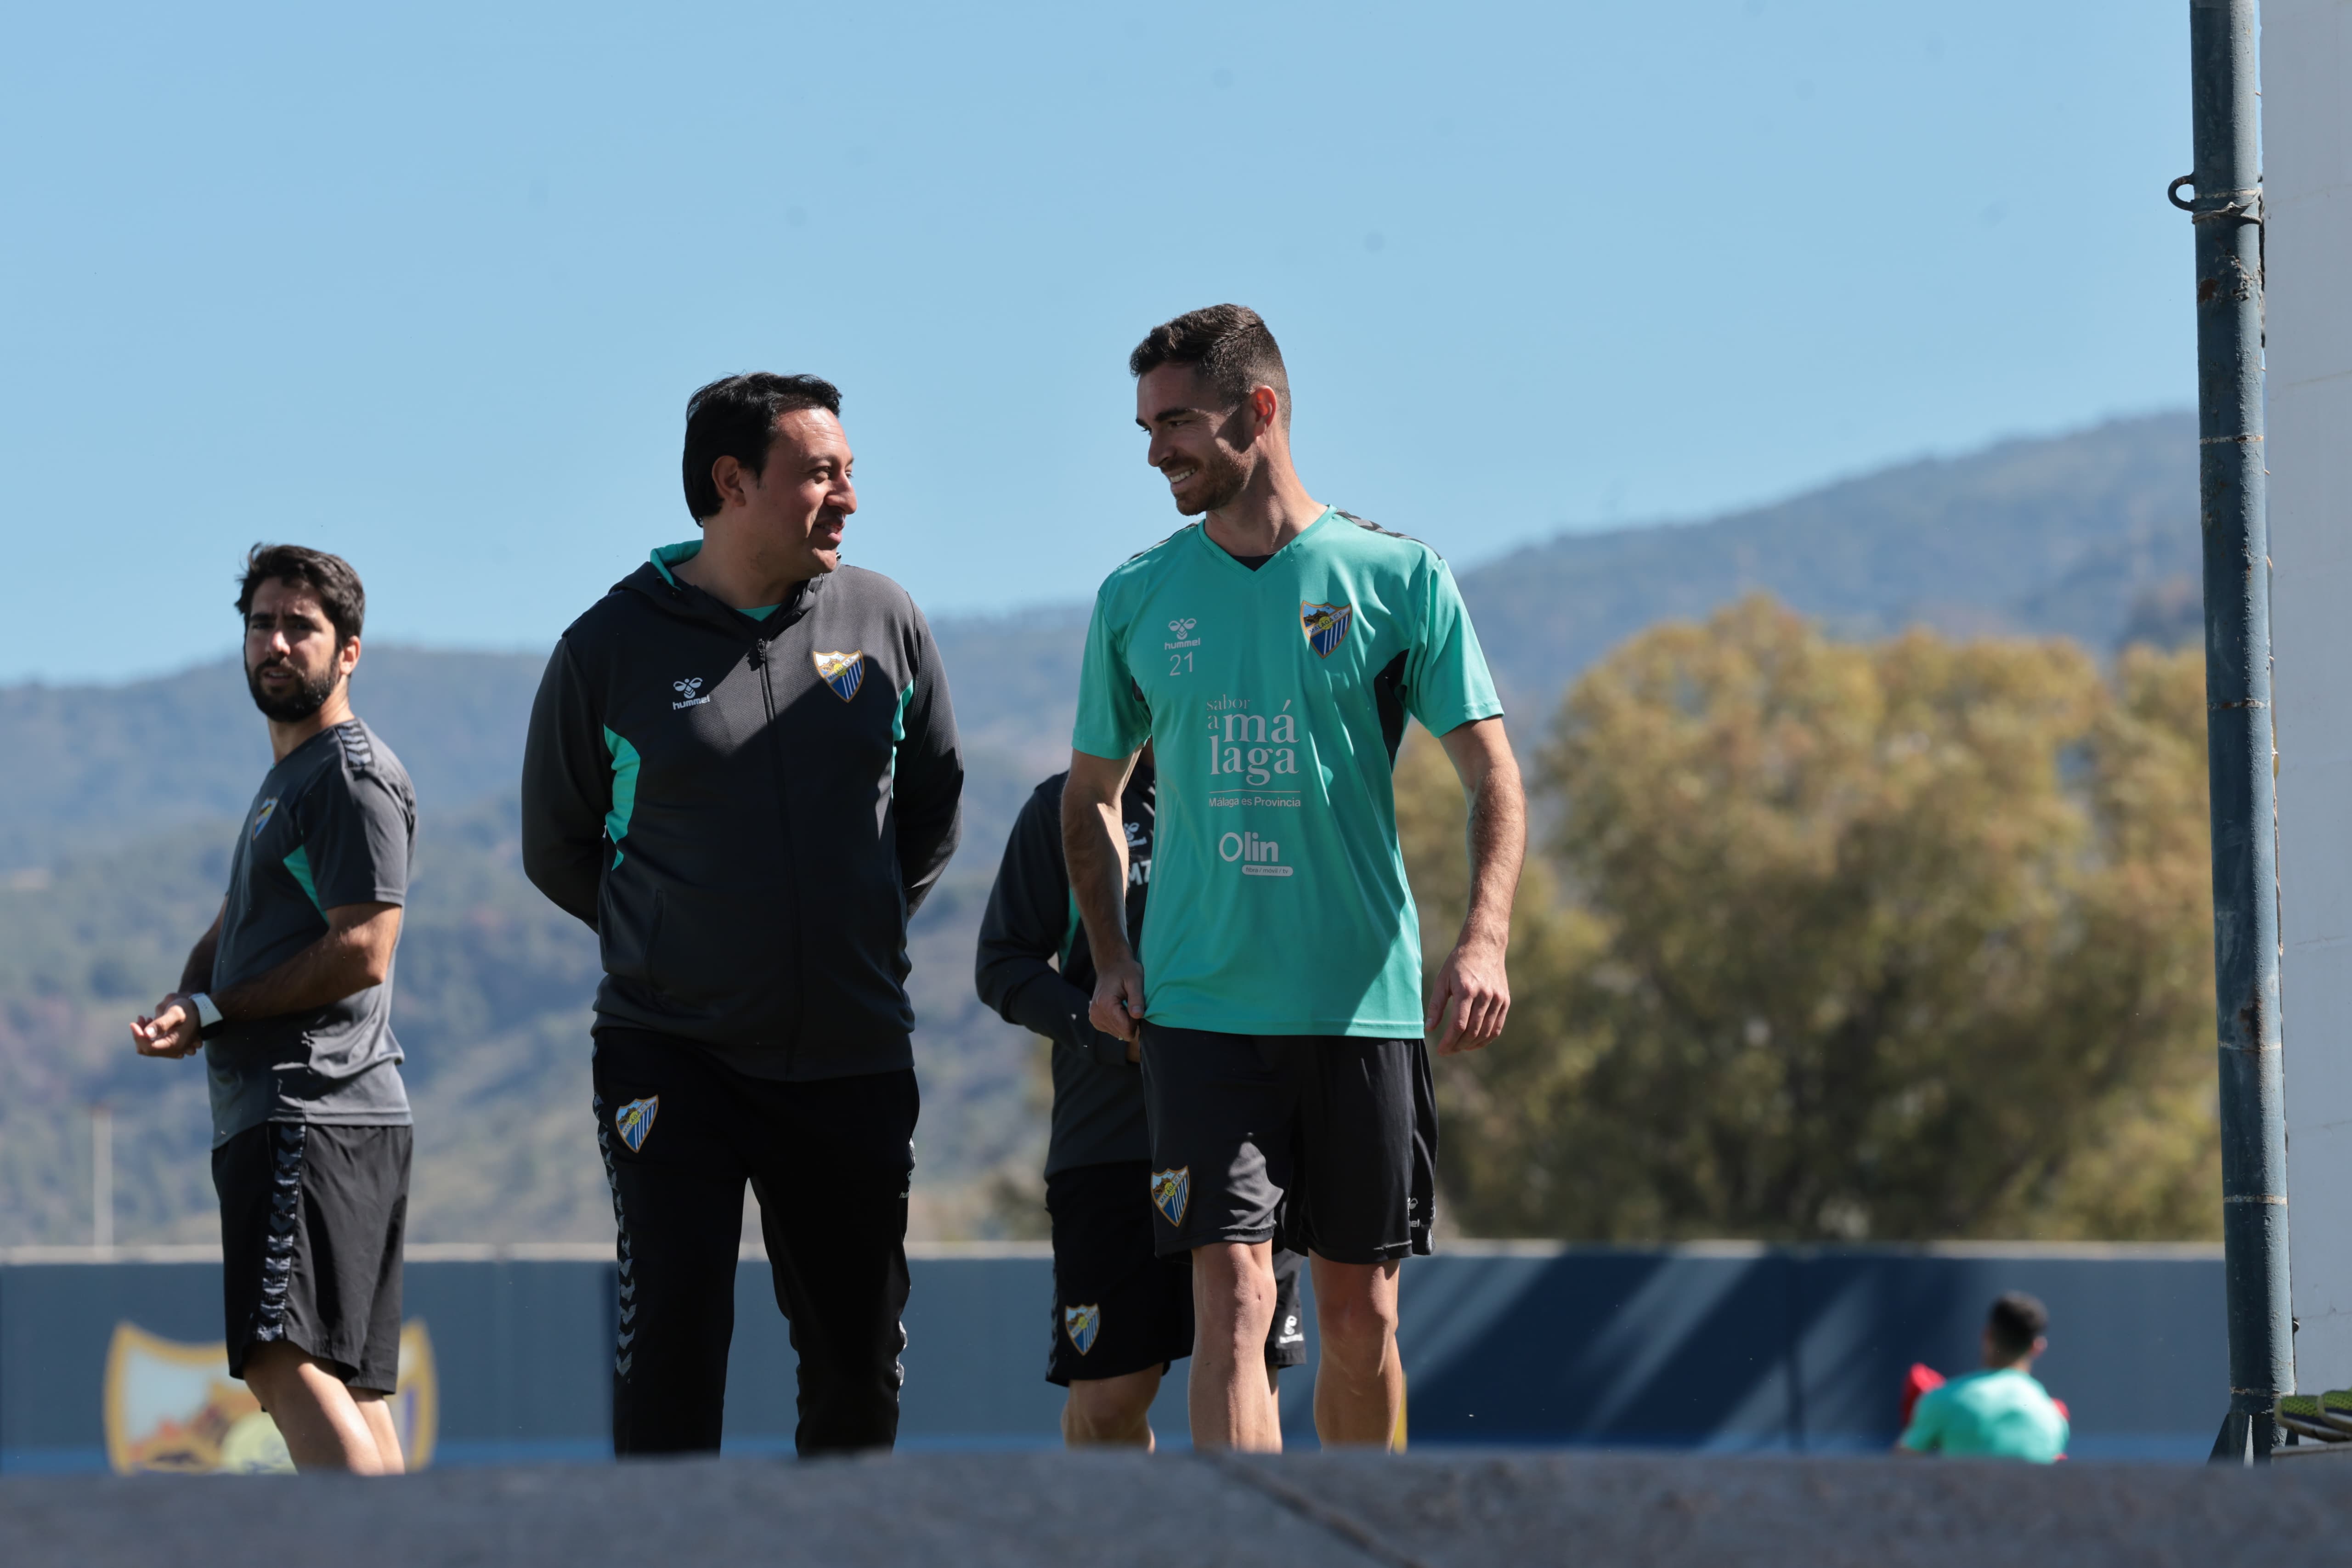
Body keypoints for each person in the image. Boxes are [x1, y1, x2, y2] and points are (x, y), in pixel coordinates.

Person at [1062, 305, 1525, 1452]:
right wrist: (1114, 954)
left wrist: (1482, 941)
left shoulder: (1396, 577)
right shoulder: (1136, 595)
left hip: (1359, 1004)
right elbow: (1090, 798)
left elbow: (1495, 778)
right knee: (1233, 1293)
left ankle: (1361, 1527)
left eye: (1174, 422)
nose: (1155, 449)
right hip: (1201, 1007)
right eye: (1145, 426)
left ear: (1258, 409)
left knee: (1359, 1317)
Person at [521, 373, 962, 1458]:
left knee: (857, 1373)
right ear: (731, 483)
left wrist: (848, 927)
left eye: (849, 473)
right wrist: (678, 940)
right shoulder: (607, 648)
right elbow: (557, 848)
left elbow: (932, 811)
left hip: (852, 1050)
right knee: (673, 1352)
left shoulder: (886, 619)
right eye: (821, 473)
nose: (848, 497)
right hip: (672, 1054)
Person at [130, 545, 416, 1475]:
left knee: (281, 1354)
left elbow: (365, 947)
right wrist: (192, 994)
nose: (277, 642)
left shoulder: (347, 771)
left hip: (313, 1108)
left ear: (350, 652)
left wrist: (215, 1008)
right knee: (347, 1379)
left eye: (302, 625)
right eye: (262, 623)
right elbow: (242, 920)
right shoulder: (289, 779)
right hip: (319, 1114)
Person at [976, 748, 1307, 1448]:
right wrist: (1106, 1035)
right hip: (1108, 1142)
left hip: (1243, 1135)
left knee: (1249, 1372)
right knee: (1106, 1408)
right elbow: (1002, 962)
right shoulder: (1062, 808)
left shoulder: (1263, 789)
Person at [1896, 1291, 2070, 1462]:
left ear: (1987, 1335)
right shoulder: (2054, 1416)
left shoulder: (1941, 1400)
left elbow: (1897, 1472)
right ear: (2037, 1348)